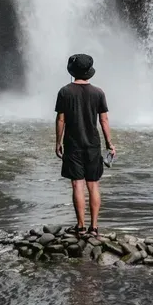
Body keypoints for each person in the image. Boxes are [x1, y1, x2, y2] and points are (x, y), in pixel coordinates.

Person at [54, 53, 115, 236]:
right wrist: (110, 144)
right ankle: (94, 227)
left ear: (72, 71)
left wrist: (58, 142)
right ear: (89, 72)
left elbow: (60, 119)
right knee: (93, 185)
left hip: (73, 144)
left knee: (77, 185)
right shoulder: (98, 93)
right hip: (93, 145)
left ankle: (80, 226)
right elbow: (104, 121)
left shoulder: (64, 91)